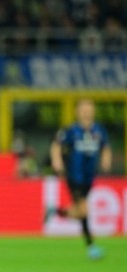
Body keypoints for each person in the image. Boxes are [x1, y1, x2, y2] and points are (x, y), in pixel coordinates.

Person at [49, 98, 111, 260]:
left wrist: (106, 159)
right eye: (83, 109)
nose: (86, 112)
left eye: (89, 109)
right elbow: (56, 145)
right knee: (84, 209)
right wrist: (57, 160)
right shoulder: (71, 131)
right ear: (77, 112)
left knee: (80, 211)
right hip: (74, 176)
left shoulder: (99, 131)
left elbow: (106, 147)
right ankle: (91, 247)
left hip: (89, 178)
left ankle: (56, 212)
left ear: (93, 112)